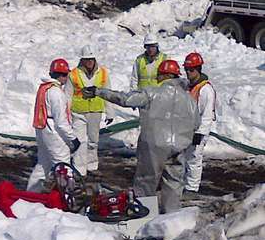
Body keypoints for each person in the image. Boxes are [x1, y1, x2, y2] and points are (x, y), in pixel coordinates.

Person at [83, 60, 199, 212]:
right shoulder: (189, 100)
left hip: (153, 147)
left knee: (146, 183)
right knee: (174, 184)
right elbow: (196, 123)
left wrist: (99, 91)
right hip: (178, 148)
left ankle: (145, 215)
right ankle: (171, 220)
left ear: (164, 76)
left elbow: (125, 99)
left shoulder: (151, 93)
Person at [27, 59, 81, 192]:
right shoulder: (56, 93)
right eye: (66, 75)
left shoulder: (44, 88)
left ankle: (30, 194)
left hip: (43, 131)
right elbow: (61, 122)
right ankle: (68, 199)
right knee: (63, 166)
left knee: (43, 165)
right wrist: (72, 138)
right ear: (62, 75)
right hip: (53, 133)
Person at [65, 45, 114, 175]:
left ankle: (92, 165)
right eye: (86, 59)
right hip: (78, 112)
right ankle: (79, 168)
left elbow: (107, 93)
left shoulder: (103, 73)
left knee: (93, 140)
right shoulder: (74, 74)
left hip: (95, 111)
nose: (89, 62)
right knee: (80, 140)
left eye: (91, 59)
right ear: (82, 60)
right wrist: (66, 114)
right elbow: (68, 95)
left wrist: (110, 112)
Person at [182, 52, 216, 194]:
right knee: (184, 158)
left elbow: (207, 115)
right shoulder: (189, 86)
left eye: (191, 70)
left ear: (198, 69)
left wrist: (200, 133)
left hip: (198, 131)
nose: (188, 73)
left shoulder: (205, 89)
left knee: (194, 159)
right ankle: (184, 184)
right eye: (187, 70)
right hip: (186, 129)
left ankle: (192, 188)